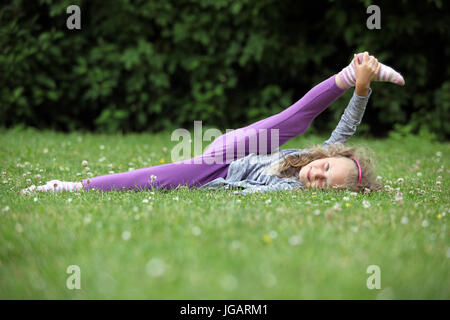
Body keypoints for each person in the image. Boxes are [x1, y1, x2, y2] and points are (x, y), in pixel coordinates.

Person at [20, 52, 404, 196]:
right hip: (236, 149)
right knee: (288, 123)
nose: (315, 174)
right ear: (325, 157)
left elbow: (241, 191)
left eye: (323, 183)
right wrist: (363, 90)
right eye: (323, 167)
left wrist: (216, 190)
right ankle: (351, 73)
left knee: (162, 176)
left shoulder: (290, 195)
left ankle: (72, 186)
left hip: (218, 170)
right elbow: (344, 132)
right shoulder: (312, 156)